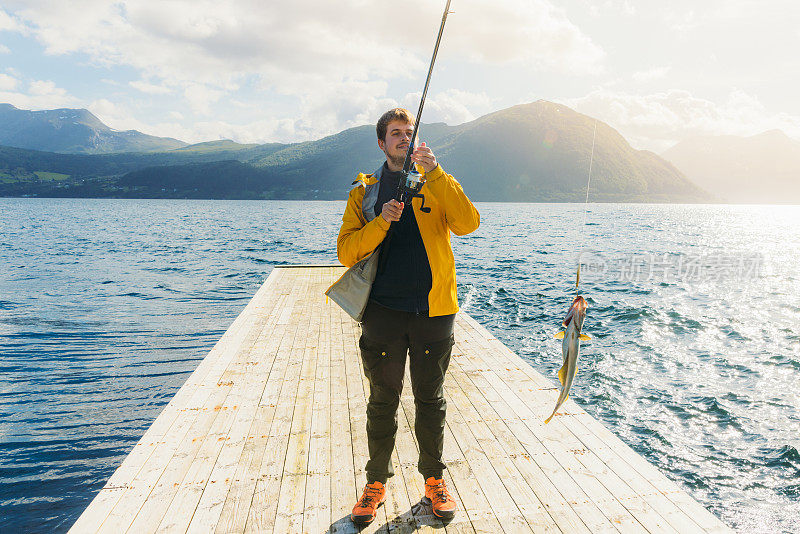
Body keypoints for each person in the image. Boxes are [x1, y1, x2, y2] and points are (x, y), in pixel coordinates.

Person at [336, 108, 480, 525]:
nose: (403, 138)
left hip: (434, 312)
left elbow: (468, 223)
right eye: (395, 134)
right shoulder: (365, 191)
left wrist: (435, 174)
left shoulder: (436, 180)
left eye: (408, 133)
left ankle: (433, 482)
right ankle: (376, 482)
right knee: (382, 401)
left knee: (430, 401)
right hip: (382, 313)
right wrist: (381, 222)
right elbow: (346, 251)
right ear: (382, 143)